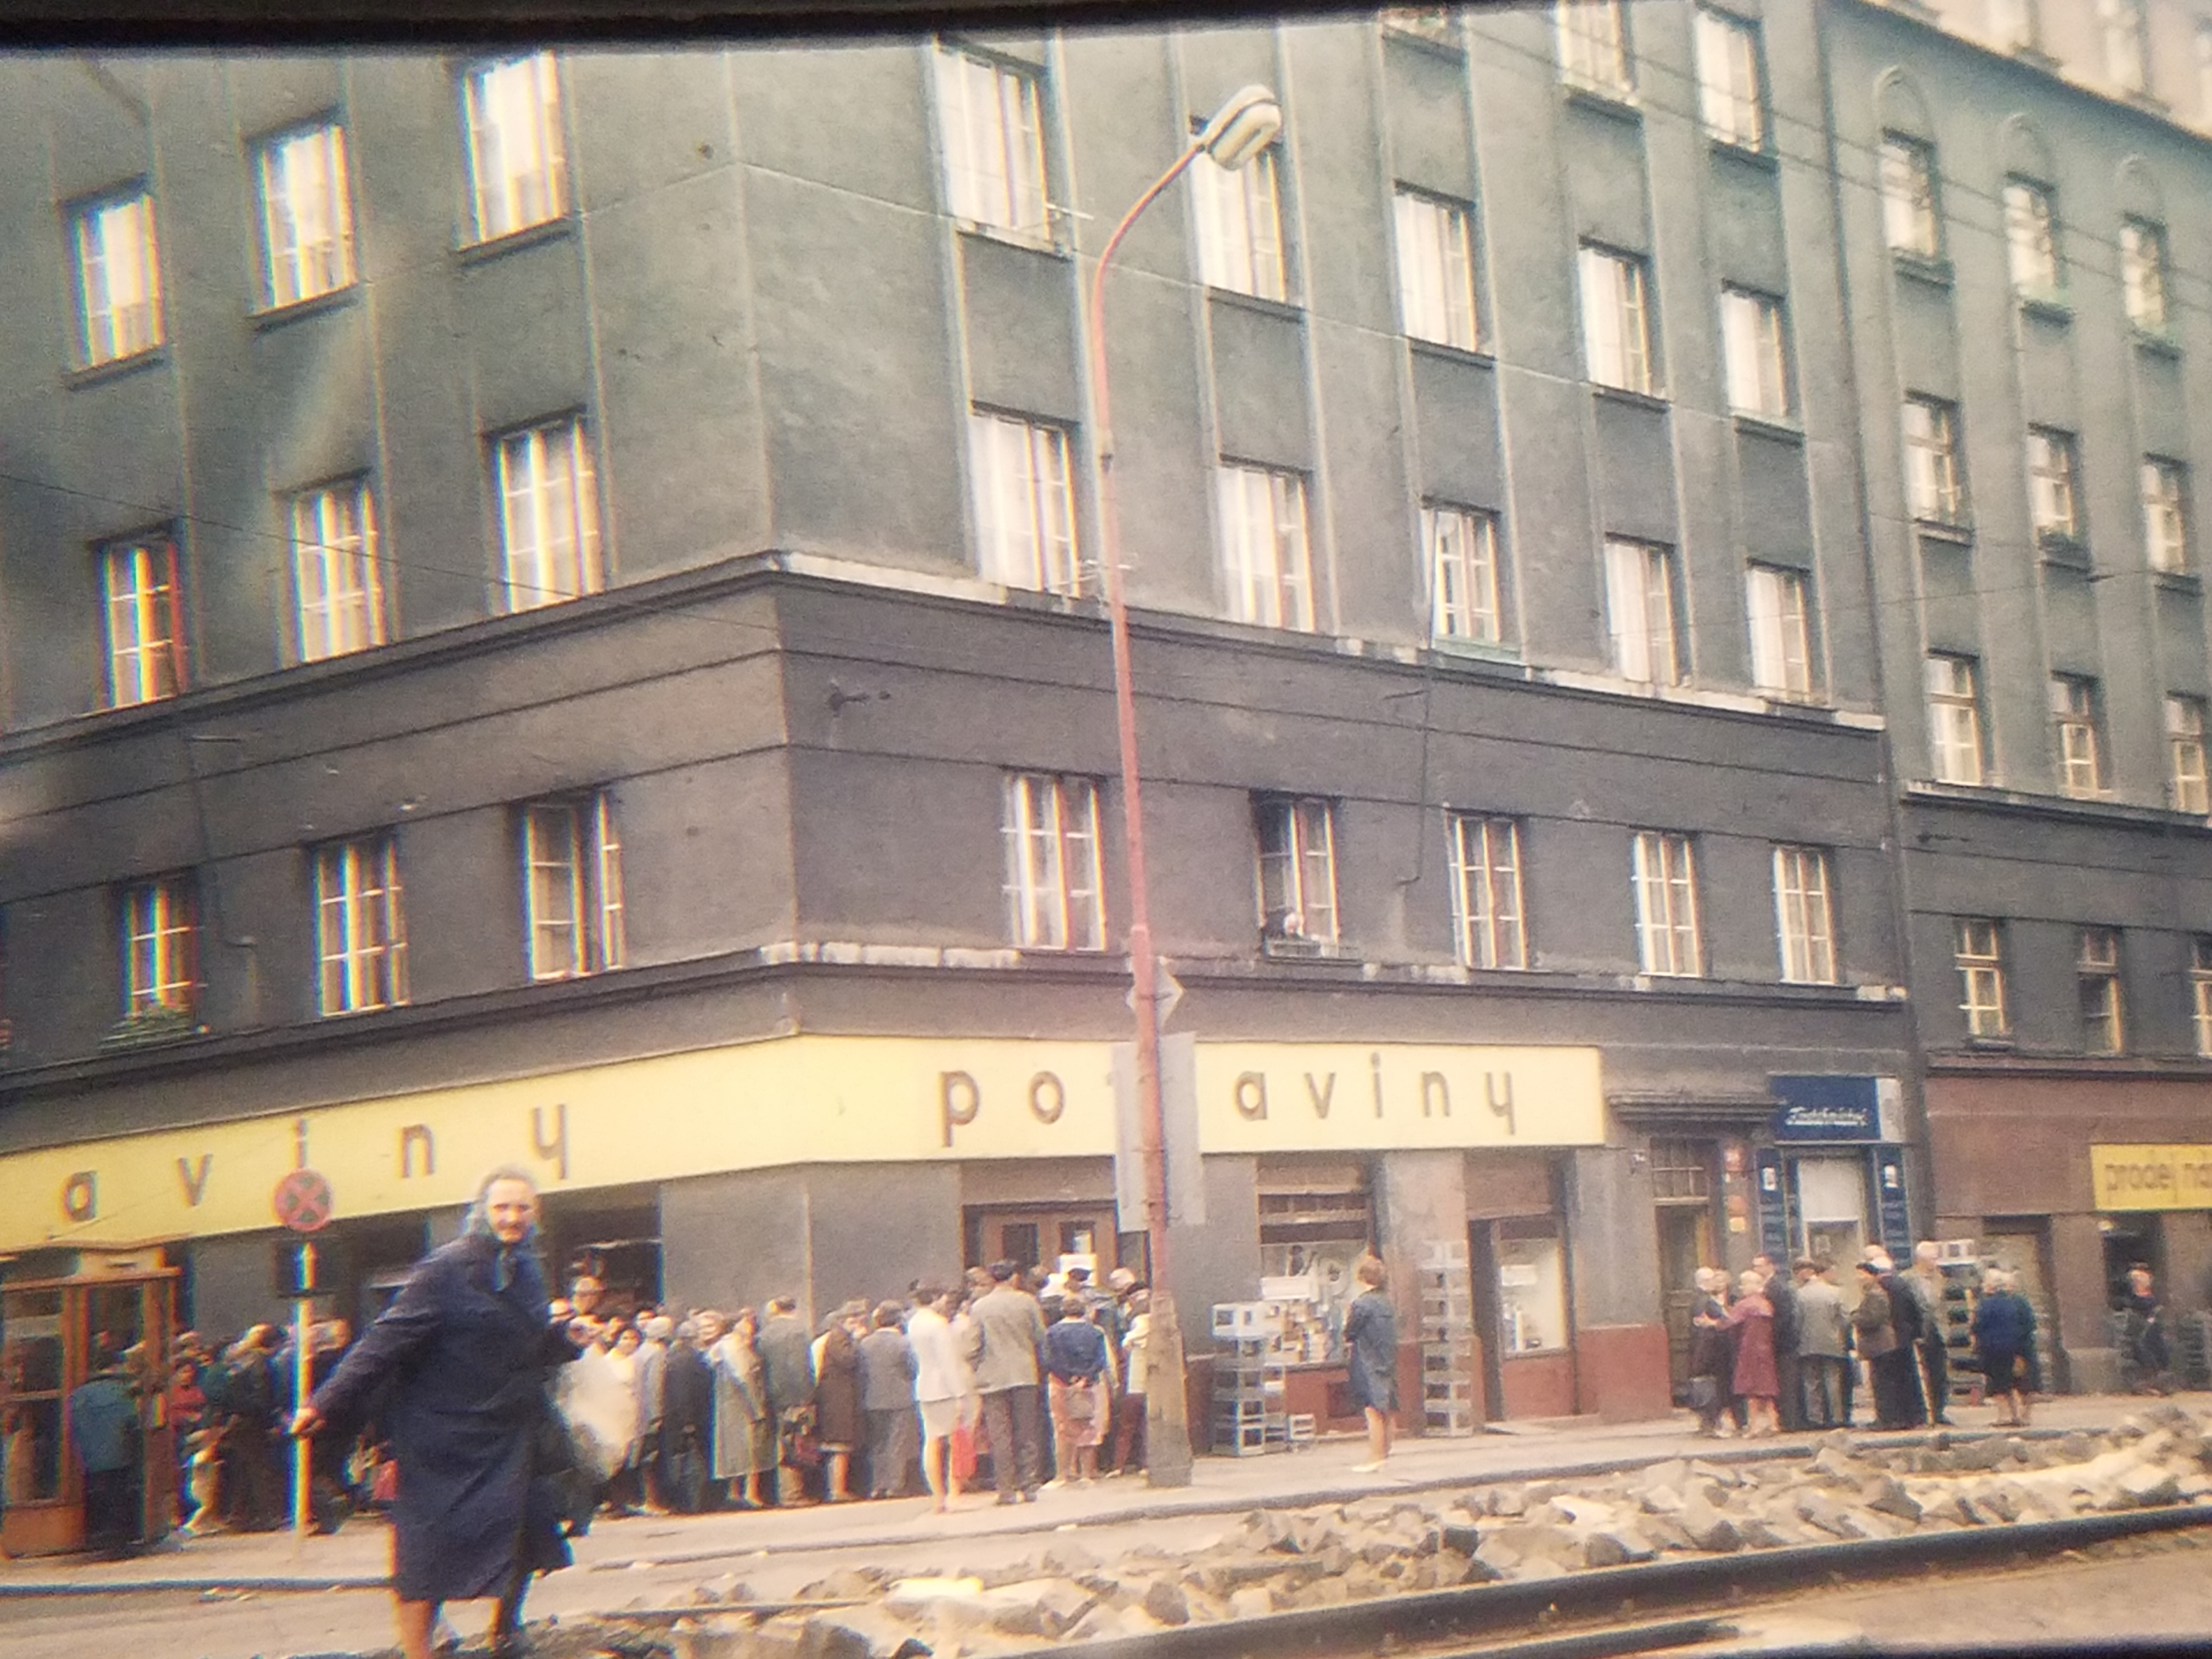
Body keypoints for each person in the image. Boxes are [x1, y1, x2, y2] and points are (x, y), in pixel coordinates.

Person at [295, 1166, 588, 1659]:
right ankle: (418, 1652)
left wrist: (565, 1341)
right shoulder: (444, 1269)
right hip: (441, 1438)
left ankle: (505, 1630)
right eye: (502, 1208)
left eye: (522, 1209)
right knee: (426, 1554)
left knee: (532, 1521)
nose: (512, 1218)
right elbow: (384, 1341)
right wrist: (323, 1403)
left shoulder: (528, 1268)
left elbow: (525, 1344)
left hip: (505, 1431)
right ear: (481, 1212)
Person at [970, 1260, 1049, 1504]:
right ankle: (1029, 1484)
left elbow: (974, 1344)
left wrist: (975, 1367)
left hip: (992, 1376)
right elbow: (1041, 1337)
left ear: (992, 1279)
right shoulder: (1027, 1302)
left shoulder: (980, 1307)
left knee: (1000, 1434)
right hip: (1024, 1373)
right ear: (1014, 1277)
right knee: (1026, 1430)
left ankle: (1006, 1488)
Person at [69, 1338, 145, 1559]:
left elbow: (75, 1426)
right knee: (119, 1498)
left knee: (98, 1498)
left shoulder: (80, 1394)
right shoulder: (120, 1391)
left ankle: (100, 1539)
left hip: (91, 1457)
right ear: (115, 1366)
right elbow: (132, 1421)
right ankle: (119, 1542)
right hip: (119, 1454)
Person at [907, 1286, 967, 1512]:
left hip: (924, 1386)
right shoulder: (938, 1325)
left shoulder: (913, 1323)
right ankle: (953, 1491)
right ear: (934, 1299)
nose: (945, 1302)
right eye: (943, 1298)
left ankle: (937, 1496)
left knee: (931, 1442)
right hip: (944, 1388)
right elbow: (948, 1362)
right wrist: (959, 1393)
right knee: (954, 1441)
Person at [707, 1309, 772, 1509]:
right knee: (750, 1449)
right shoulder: (735, 1347)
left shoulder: (722, 1347)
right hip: (742, 1406)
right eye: (747, 1322)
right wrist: (758, 1407)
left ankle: (735, 1492)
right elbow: (745, 1376)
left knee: (735, 1450)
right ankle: (750, 1493)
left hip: (728, 1406)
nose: (751, 1326)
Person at [755, 1296, 816, 1505]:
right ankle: (793, 1493)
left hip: (773, 1395)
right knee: (796, 1442)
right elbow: (801, 1367)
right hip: (794, 1395)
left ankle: (785, 1491)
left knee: (782, 1442)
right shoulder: (798, 1332)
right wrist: (807, 1396)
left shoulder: (764, 1335)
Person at [1043, 1301, 1110, 1486]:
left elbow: (1049, 1360)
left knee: (1063, 1429)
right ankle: (1087, 1474)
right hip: (1090, 1385)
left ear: (1063, 1311)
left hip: (1061, 1385)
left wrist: (1068, 1378)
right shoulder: (1095, 1332)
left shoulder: (1052, 1333)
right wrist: (1085, 1378)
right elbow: (1101, 1361)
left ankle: (1063, 1474)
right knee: (1089, 1428)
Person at [857, 1301, 919, 1499]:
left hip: (873, 1398)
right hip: (900, 1398)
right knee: (898, 1442)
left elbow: (862, 1372)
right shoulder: (904, 1343)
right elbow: (913, 1369)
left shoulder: (865, 1343)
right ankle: (896, 1484)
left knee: (878, 1443)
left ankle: (878, 1485)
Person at [1344, 1255, 1397, 1473]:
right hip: (1387, 1359)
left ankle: (1375, 1457)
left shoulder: (1362, 1304)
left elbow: (1350, 1332)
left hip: (1367, 1360)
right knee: (1388, 1409)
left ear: (1362, 1277)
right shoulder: (1387, 1302)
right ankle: (1385, 1453)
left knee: (1372, 1411)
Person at [658, 1317, 714, 1515]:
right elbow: (683, 1393)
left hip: (678, 1418)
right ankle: (690, 1503)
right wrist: (688, 1421)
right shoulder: (688, 1359)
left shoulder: (675, 1357)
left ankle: (686, 1502)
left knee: (682, 1461)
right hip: (687, 1419)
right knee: (690, 1462)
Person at [812, 1302, 866, 1502]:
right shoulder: (839, 1338)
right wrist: (857, 1341)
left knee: (841, 1447)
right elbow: (848, 1359)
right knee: (840, 1447)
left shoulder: (837, 1337)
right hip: (838, 1401)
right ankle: (837, 1490)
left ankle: (837, 1488)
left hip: (837, 1400)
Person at [1852, 1259, 1913, 1430]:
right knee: (1880, 1383)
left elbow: (1874, 1319)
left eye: (1862, 1275)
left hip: (1882, 1345)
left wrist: (1855, 1317)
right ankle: (1886, 1417)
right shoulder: (1872, 1294)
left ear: (1872, 1276)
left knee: (1884, 1384)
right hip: (1879, 1346)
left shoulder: (1876, 1295)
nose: (1859, 1279)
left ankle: (1889, 1419)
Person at [1972, 1268, 2038, 1426]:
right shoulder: (2015, 1303)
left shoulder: (1987, 1304)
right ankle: (2020, 1416)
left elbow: (1978, 1326)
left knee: (2001, 1385)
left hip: (1995, 1350)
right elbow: (2029, 1325)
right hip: (2018, 1348)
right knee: (2018, 1383)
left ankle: (2007, 1416)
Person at [1792, 1257, 1849, 1431]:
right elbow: (1845, 1319)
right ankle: (1837, 1417)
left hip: (1808, 1343)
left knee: (1812, 1382)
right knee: (1833, 1380)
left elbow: (1796, 1321)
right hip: (1832, 1342)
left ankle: (1815, 1418)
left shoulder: (1799, 1294)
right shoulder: (1836, 1292)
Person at [1725, 1268, 1779, 1437]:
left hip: (1749, 1350)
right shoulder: (1766, 1304)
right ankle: (1773, 1423)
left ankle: (1754, 1426)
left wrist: (1712, 1322)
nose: (1742, 1288)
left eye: (1744, 1284)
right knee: (1767, 1389)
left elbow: (1730, 1324)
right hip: (1766, 1350)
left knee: (1752, 1391)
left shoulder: (1745, 1305)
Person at [1752, 1255, 1801, 1433]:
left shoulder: (1777, 1288)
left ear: (1770, 1266)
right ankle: (1784, 1420)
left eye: (1759, 1266)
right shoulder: (1769, 1287)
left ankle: (1788, 1421)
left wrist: (1770, 1338)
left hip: (1782, 1345)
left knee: (1785, 1383)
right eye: (1754, 1266)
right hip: (1777, 1345)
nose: (1756, 1269)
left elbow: (1783, 1317)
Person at [1908, 1242, 1955, 1425]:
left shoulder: (1940, 1278)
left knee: (1940, 1373)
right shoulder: (1908, 1278)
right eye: (1933, 1259)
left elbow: (1943, 1306)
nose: (1936, 1262)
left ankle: (1939, 1411)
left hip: (1938, 1331)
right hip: (1919, 1331)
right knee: (1921, 1373)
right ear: (1921, 1259)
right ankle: (1923, 1412)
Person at [1686, 1268, 1733, 1437]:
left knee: (1706, 1386)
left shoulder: (1698, 1300)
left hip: (1703, 1351)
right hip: (1711, 1352)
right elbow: (1719, 1325)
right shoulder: (1706, 1302)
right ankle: (1711, 1424)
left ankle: (1708, 1423)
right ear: (1705, 1281)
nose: (1717, 1281)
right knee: (1711, 1387)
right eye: (1713, 1278)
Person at [1110, 1288, 1150, 1478]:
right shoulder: (1163, 1330)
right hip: (1153, 1385)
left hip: (1134, 1384)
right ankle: (1145, 1463)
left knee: (1127, 1425)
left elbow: (1126, 1346)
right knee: (1147, 1425)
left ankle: (1119, 1465)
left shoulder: (1135, 1332)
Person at [2119, 1264, 2172, 1394]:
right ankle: (2152, 1378)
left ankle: (2157, 1378)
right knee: (2144, 1348)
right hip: (2142, 1333)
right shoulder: (2134, 1302)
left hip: (2151, 1332)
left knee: (2152, 1348)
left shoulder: (2148, 1301)